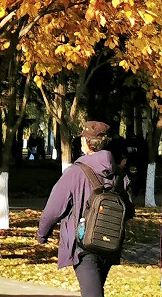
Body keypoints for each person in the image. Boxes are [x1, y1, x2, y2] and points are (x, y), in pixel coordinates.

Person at [37, 120, 133, 297]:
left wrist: (42, 235)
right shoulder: (118, 174)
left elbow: (53, 209)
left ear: (86, 143)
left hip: (83, 245)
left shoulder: (75, 172)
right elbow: (129, 210)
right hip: (110, 244)